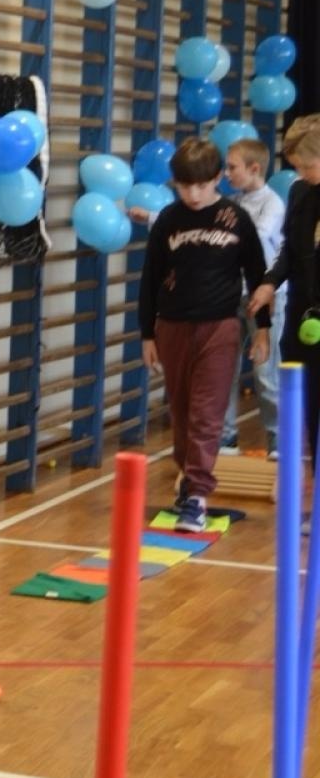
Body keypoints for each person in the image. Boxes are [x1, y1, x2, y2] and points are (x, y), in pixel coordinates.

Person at [140, 137, 270, 530]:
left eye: (201, 185)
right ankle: (188, 483)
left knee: (208, 413)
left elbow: (258, 275)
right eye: (184, 186)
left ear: (218, 179)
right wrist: (147, 334)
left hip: (220, 327)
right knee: (181, 412)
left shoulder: (235, 218)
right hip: (173, 327)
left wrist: (261, 330)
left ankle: (197, 494)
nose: (193, 194)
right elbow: (150, 280)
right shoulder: (168, 220)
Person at [251, 114, 320, 460]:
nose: (303, 173)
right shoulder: (300, 191)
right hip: (301, 320)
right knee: (307, 411)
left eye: (308, 165)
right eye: (297, 167)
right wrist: (269, 283)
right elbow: (289, 251)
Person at [218, 137, 285, 455]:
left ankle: (277, 439)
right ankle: (225, 436)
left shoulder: (272, 204)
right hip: (235, 295)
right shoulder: (237, 203)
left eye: (232, 167)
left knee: (265, 373)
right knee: (224, 369)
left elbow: (251, 237)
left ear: (254, 168)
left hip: (265, 298)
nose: (227, 173)